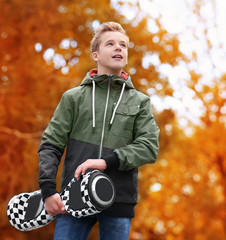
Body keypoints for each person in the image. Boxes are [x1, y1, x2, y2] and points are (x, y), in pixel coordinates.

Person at [38, 22, 159, 240]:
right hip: (72, 198)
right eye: (110, 43)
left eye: (123, 45)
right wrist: (48, 190)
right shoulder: (73, 98)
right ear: (96, 54)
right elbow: (51, 145)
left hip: (118, 200)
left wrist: (107, 161)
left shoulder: (140, 102)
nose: (118, 48)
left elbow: (149, 147)